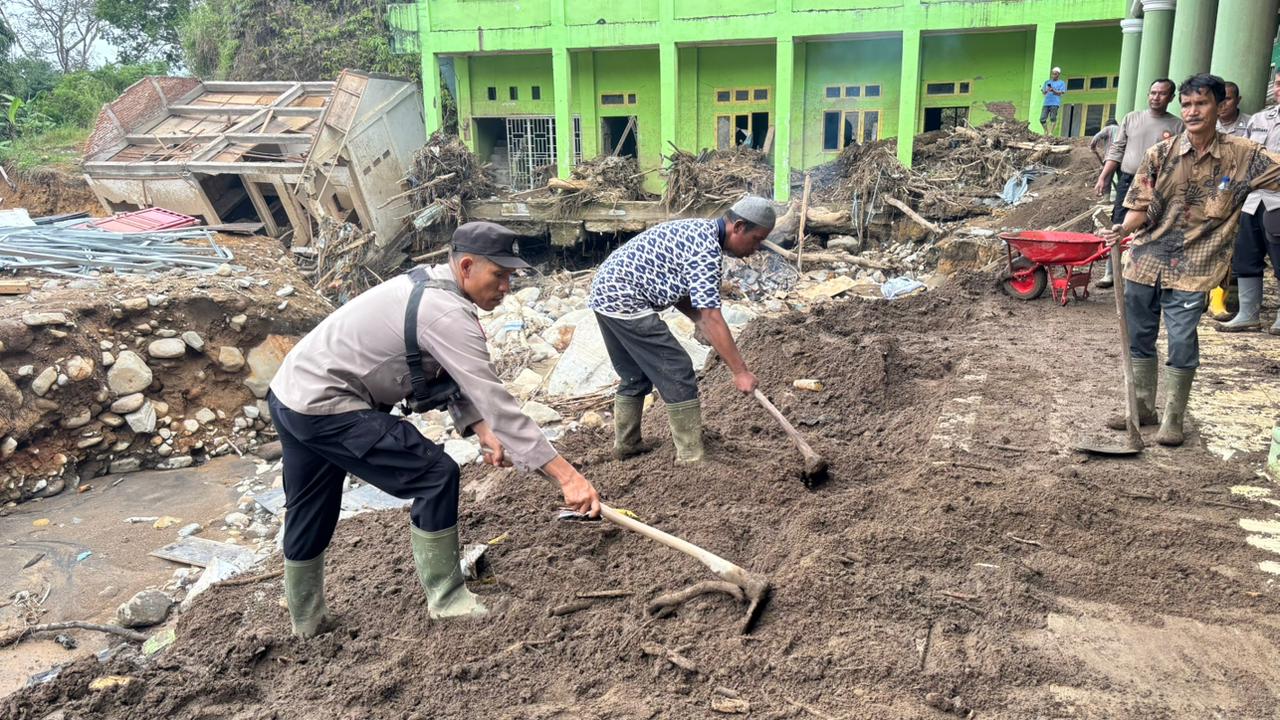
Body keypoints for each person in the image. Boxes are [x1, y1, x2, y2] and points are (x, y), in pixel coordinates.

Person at [267, 221, 602, 637]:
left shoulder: (430, 285)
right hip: (326, 403)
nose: (507, 287)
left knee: (310, 504)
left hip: (289, 394)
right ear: (467, 266)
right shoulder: (447, 313)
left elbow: (444, 374)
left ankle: (305, 621)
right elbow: (498, 402)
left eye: (511, 276)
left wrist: (481, 428)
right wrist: (567, 478)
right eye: (499, 275)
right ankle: (447, 601)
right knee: (435, 475)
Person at [1100, 73, 1280, 446]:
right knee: (1139, 335)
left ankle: (1173, 417)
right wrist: (1122, 228)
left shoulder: (1244, 155)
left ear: (1220, 106)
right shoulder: (1160, 154)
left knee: (1181, 338)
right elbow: (1140, 205)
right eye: (1187, 105)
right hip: (1146, 259)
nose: (1193, 111)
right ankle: (1142, 407)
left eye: (1201, 103)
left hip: (1195, 264)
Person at [588, 196, 775, 464]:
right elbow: (711, 316)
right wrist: (740, 372)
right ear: (739, 227)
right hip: (625, 299)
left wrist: (697, 319)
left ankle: (627, 445)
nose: (756, 249)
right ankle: (691, 457)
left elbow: (677, 287)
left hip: (604, 294)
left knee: (635, 374)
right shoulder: (707, 251)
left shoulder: (699, 231)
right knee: (677, 368)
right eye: (756, 239)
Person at [1094, 78, 1184, 288]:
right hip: (1128, 180)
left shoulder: (1177, 125)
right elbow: (1117, 149)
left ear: (1171, 98)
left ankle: (1145, 272)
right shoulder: (1132, 118)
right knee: (1118, 222)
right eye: (1153, 92)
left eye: (1162, 93)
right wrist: (1104, 176)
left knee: (1154, 225)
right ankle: (1111, 272)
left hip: (1158, 184)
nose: (1156, 97)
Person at [1217, 69, 1280, 333]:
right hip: (1252, 200)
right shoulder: (1260, 119)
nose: (1279, 89)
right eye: (1278, 84)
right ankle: (1248, 314)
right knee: (1246, 255)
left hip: (1278, 201)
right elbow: (1241, 160)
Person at [1090, 119, 1120, 198]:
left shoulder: (1108, 128)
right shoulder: (1121, 129)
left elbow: (1096, 137)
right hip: (1122, 157)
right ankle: (1121, 198)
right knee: (1121, 178)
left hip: (1111, 156)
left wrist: (1092, 147)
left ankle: (1106, 198)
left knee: (1107, 177)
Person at [1040, 67, 1066, 134]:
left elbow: (1061, 93)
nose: (1053, 75)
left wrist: (1053, 90)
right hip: (1046, 103)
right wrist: (1045, 90)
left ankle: (1050, 133)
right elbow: (1044, 92)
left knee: (1053, 118)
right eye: (1052, 74)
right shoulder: (1047, 82)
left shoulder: (1061, 83)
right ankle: (1046, 131)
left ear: (1058, 74)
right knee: (1042, 119)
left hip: (1055, 103)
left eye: (1055, 74)